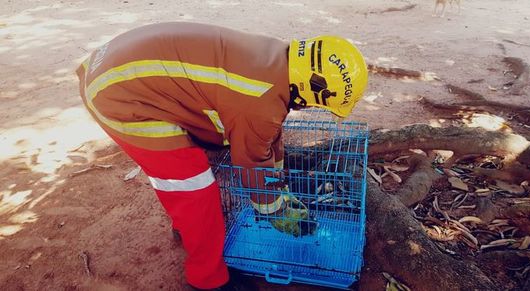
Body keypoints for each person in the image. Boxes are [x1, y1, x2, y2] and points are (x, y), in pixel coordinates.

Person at [75, 22, 367, 290]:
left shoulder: (277, 60)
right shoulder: (259, 98)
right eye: (319, 105)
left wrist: (279, 185)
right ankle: (207, 279)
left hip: (113, 65)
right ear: (311, 90)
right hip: (118, 94)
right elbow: (251, 161)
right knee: (194, 189)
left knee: (198, 182)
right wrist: (276, 211)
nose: (312, 110)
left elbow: (268, 133)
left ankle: (189, 232)